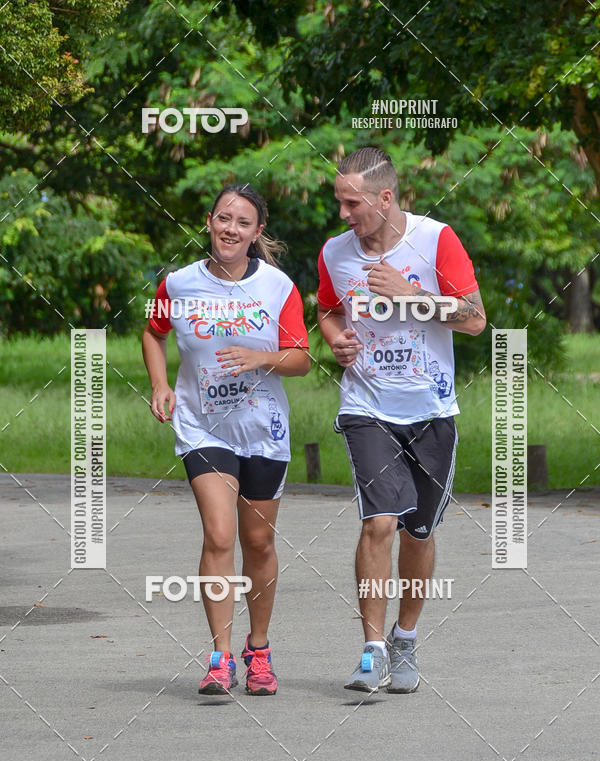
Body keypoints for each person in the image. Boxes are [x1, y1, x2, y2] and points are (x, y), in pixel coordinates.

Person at [317, 147, 486, 693]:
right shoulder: (335, 252)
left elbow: (475, 319)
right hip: (367, 407)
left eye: (352, 204)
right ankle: (371, 651)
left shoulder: (436, 240)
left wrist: (413, 296)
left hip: (431, 410)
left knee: (419, 531)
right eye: (339, 202)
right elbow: (327, 308)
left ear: (384, 198)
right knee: (379, 522)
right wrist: (336, 339)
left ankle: (405, 638)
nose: (343, 214)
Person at [143, 184, 310, 696]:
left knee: (257, 542)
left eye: (242, 223)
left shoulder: (277, 287)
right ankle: (220, 657)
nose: (230, 230)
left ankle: (259, 651)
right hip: (202, 426)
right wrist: (160, 384)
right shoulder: (178, 283)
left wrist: (262, 358)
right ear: (209, 222)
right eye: (223, 219)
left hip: (263, 430)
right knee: (219, 535)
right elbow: (153, 332)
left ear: (257, 232)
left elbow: (301, 359)